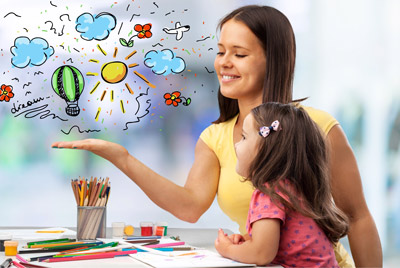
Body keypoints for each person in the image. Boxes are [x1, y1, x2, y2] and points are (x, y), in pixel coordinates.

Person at [51, 5, 382, 267]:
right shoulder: (215, 136)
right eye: (221, 51)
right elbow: (190, 207)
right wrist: (121, 156)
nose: (224, 62)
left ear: (274, 60)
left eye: (239, 54)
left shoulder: (318, 127)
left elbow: (358, 217)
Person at [215, 102, 349, 267]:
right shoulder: (291, 189)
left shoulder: (270, 194)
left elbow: (262, 253)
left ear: (267, 150)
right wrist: (247, 241)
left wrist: (227, 249)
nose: (236, 144)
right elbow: (283, 240)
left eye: (243, 137)